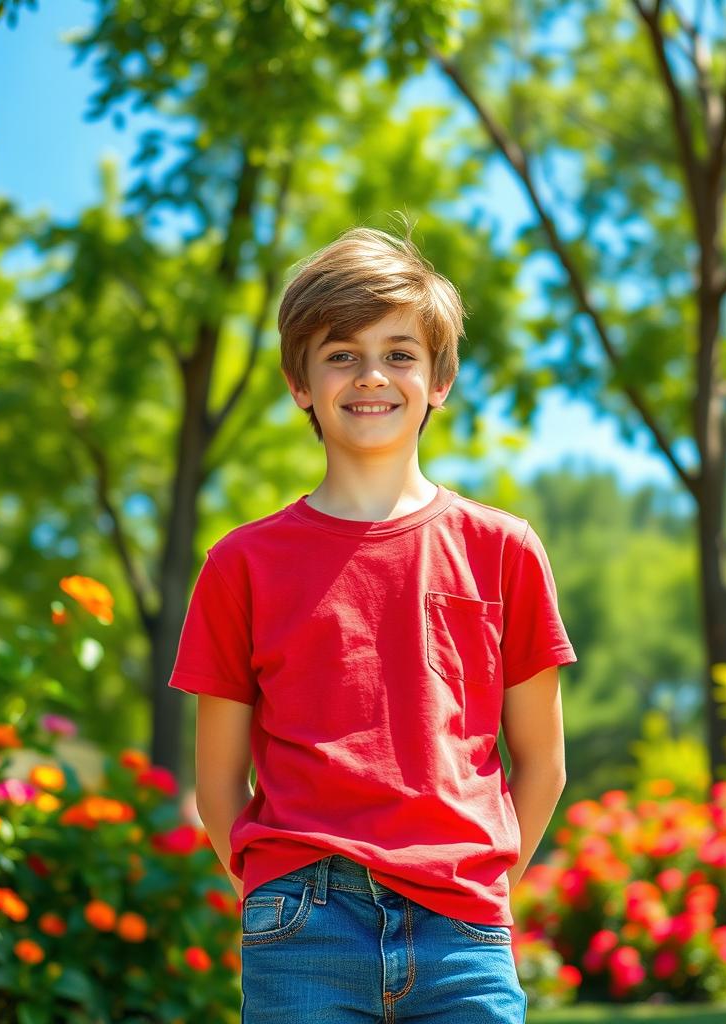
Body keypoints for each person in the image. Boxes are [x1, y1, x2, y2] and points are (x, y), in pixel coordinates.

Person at [167, 222, 577, 1023]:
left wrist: (479, 887)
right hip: (301, 931)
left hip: (466, 935)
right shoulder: (240, 566)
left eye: (399, 353)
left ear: (439, 379)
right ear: (300, 383)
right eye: (340, 354)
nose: (371, 376)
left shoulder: (504, 550)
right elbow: (218, 786)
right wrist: (278, 894)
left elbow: (542, 764)